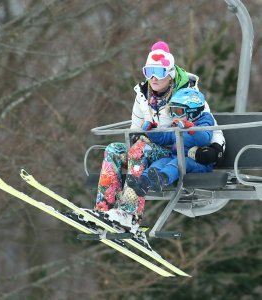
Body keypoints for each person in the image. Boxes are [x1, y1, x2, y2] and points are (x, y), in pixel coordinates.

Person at [94, 41, 225, 233]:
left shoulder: (187, 94)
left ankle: (129, 214)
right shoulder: (142, 94)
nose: (153, 78)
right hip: (150, 144)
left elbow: (210, 124)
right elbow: (135, 126)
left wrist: (216, 149)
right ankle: (104, 210)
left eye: (160, 72)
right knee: (113, 149)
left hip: (171, 149)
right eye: (149, 72)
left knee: (139, 150)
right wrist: (135, 140)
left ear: (170, 73)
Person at [126, 88, 214, 197]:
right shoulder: (177, 124)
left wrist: (191, 129)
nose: (174, 116)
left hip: (197, 162)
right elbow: (164, 138)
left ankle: (163, 179)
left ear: (193, 112)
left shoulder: (204, 121)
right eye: (171, 111)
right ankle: (143, 182)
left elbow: (204, 139)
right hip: (175, 157)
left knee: (179, 163)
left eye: (177, 111)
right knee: (160, 163)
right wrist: (153, 130)